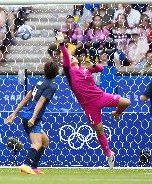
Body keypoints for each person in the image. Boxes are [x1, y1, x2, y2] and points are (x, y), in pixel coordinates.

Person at [56, 32, 131, 169]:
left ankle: (117, 113)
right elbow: (66, 56)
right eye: (70, 57)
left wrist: (94, 64)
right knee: (99, 131)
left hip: (100, 96)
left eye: (73, 56)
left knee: (126, 102)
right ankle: (109, 154)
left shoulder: (85, 69)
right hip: (89, 106)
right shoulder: (69, 72)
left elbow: (101, 69)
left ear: (78, 60)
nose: (71, 58)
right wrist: (62, 45)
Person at [5, 61, 59, 174]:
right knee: (37, 143)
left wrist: (14, 114)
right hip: (33, 118)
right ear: (56, 73)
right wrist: (34, 118)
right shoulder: (52, 86)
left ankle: (34, 166)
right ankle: (26, 165)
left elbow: (26, 99)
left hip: (27, 117)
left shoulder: (39, 83)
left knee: (45, 141)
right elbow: (41, 101)